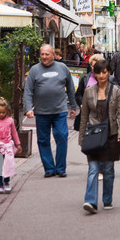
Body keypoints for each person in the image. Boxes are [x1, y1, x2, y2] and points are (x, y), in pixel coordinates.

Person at [78, 59, 120, 214]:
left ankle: (107, 199)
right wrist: (81, 138)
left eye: (104, 72)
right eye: (98, 72)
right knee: (93, 169)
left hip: (111, 135)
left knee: (108, 169)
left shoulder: (117, 91)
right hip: (93, 135)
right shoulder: (88, 92)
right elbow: (84, 116)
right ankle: (91, 201)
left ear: (109, 73)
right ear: (94, 74)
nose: (101, 75)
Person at [24, 44, 77, 178]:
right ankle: (49, 168)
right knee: (43, 140)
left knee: (62, 137)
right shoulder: (34, 70)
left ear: (53, 55)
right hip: (42, 112)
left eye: (47, 54)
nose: (44, 57)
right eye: (42, 54)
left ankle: (60, 168)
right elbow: (28, 91)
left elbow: (71, 88)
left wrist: (73, 107)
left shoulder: (62, 68)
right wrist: (28, 108)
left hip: (60, 110)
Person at [0, 97, 22, 193]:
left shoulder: (10, 121)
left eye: (3, 112)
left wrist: (18, 144)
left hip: (7, 146)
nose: (1, 114)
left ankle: (6, 182)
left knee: (7, 165)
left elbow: (14, 133)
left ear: (7, 111)